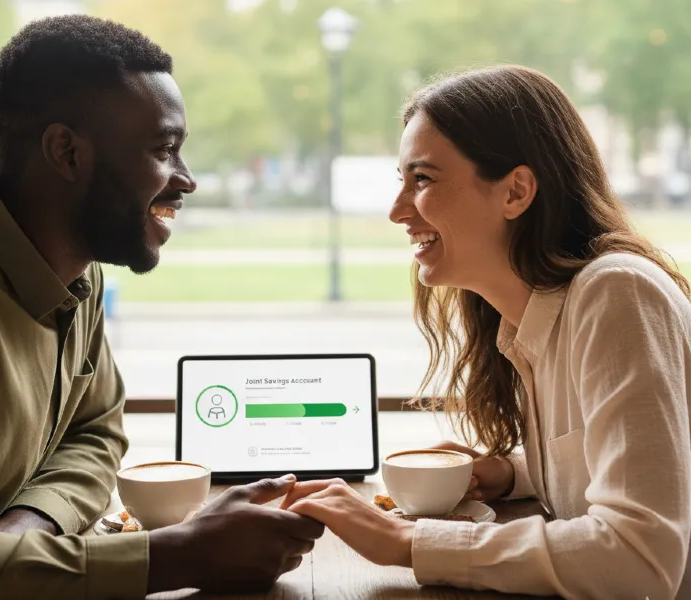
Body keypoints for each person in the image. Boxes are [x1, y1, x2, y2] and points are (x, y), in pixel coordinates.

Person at [0, 15, 322, 599]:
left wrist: (23, 538)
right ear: (65, 152)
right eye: (164, 149)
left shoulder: (72, 260)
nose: (186, 180)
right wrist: (182, 554)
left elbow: (95, 433)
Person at [282, 65, 691, 599]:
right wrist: (511, 472)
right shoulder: (526, 323)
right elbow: (635, 461)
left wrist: (407, 542)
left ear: (516, 192)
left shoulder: (618, 294)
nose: (396, 210)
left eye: (422, 179)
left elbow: (638, 559)